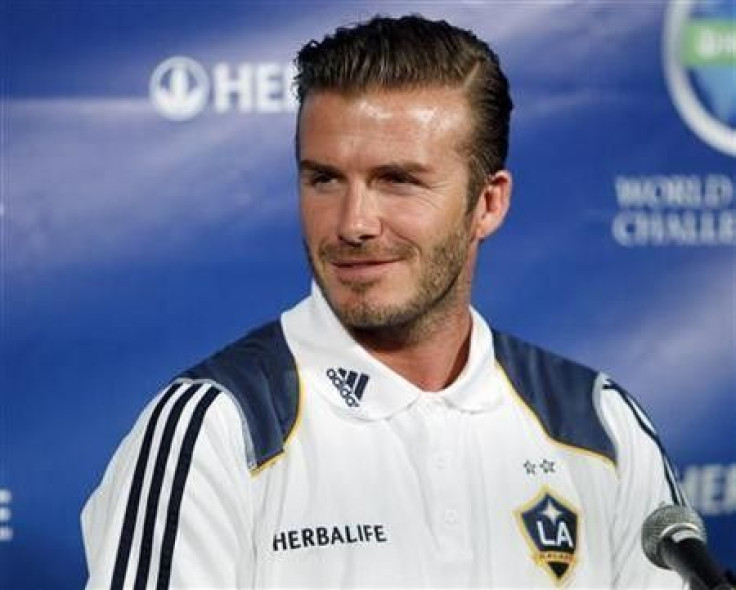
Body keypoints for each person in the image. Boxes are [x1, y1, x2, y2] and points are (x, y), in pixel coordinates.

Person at [82, 15, 687, 589]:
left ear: (488, 204)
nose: (353, 223)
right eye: (324, 179)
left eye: (397, 180)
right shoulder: (215, 427)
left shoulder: (602, 426)